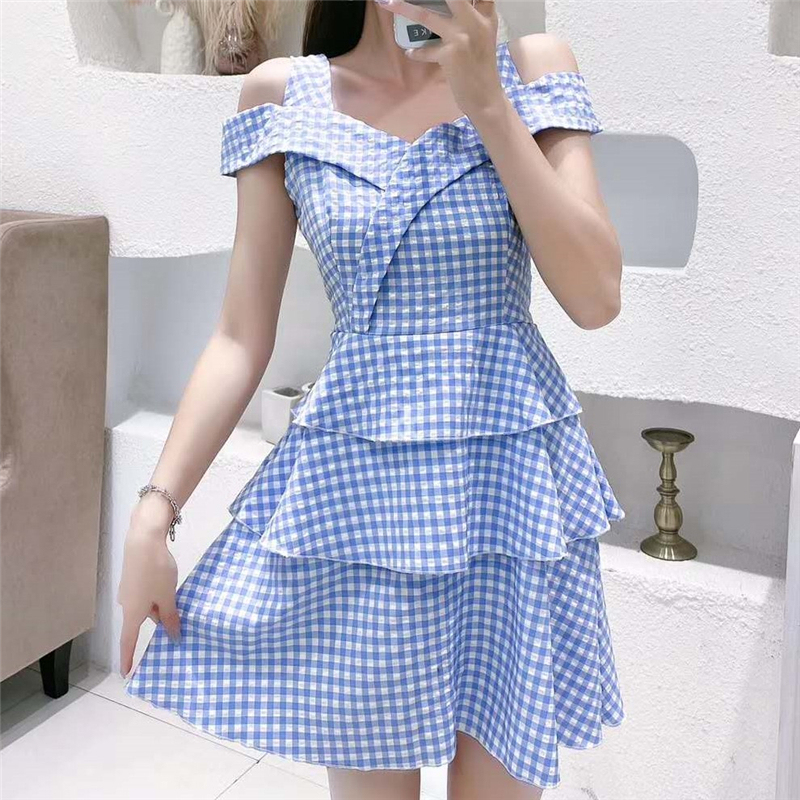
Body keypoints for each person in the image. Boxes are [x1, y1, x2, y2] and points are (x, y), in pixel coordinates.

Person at [118, 1, 626, 798]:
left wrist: (488, 106)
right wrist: (155, 511)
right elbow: (239, 337)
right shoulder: (284, 96)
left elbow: (596, 298)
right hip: (362, 501)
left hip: (507, 495)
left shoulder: (532, 69)